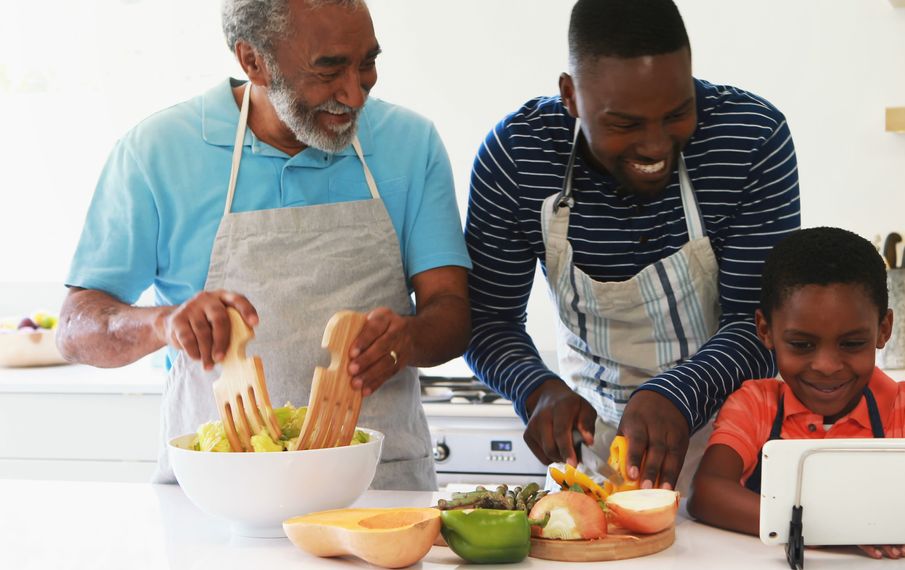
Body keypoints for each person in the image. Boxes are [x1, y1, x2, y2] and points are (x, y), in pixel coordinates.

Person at [56, 0, 471, 490]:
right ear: (252, 60)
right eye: (329, 69)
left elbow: (451, 312)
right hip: (216, 498)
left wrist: (410, 339)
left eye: (368, 63)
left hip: (377, 494)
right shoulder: (156, 152)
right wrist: (163, 323)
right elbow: (75, 329)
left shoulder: (411, 143)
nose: (355, 95)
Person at [464, 0, 801, 494]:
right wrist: (535, 389)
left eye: (677, 113)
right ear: (571, 95)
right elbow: (487, 320)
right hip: (591, 455)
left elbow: (762, 327)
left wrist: (676, 394)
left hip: (734, 451)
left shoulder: (751, 138)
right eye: (624, 123)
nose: (655, 145)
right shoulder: (517, 156)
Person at [688, 227, 905, 559]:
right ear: (765, 330)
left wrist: (879, 521)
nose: (826, 365)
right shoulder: (756, 404)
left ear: (883, 329)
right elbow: (707, 493)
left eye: (852, 344)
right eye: (802, 344)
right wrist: (828, 531)